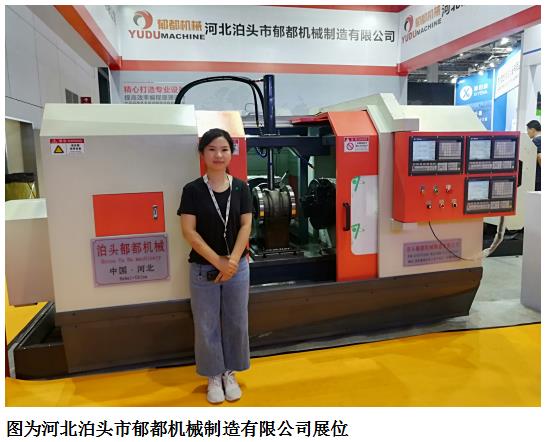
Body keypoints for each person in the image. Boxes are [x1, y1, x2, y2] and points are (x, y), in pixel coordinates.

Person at [178, 128, 253, 404]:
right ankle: (213, 375)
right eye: (211, 149)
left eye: (224, 149)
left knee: (236, 321)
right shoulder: (192, 191)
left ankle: (230, 373)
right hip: (203, 269)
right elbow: (189, 232)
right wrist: (218, 261)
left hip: (238, 268)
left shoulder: (242, 188)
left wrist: (232, 262)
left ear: (231, 153)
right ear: (202, 154)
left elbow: (246, 226)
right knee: (206, 324)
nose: (218, 155)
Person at [526, 120, 541, 191]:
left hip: (538, 176)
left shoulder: (536, 141)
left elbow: (539, 157)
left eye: (528, 130)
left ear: (532, 130)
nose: (527, 133)